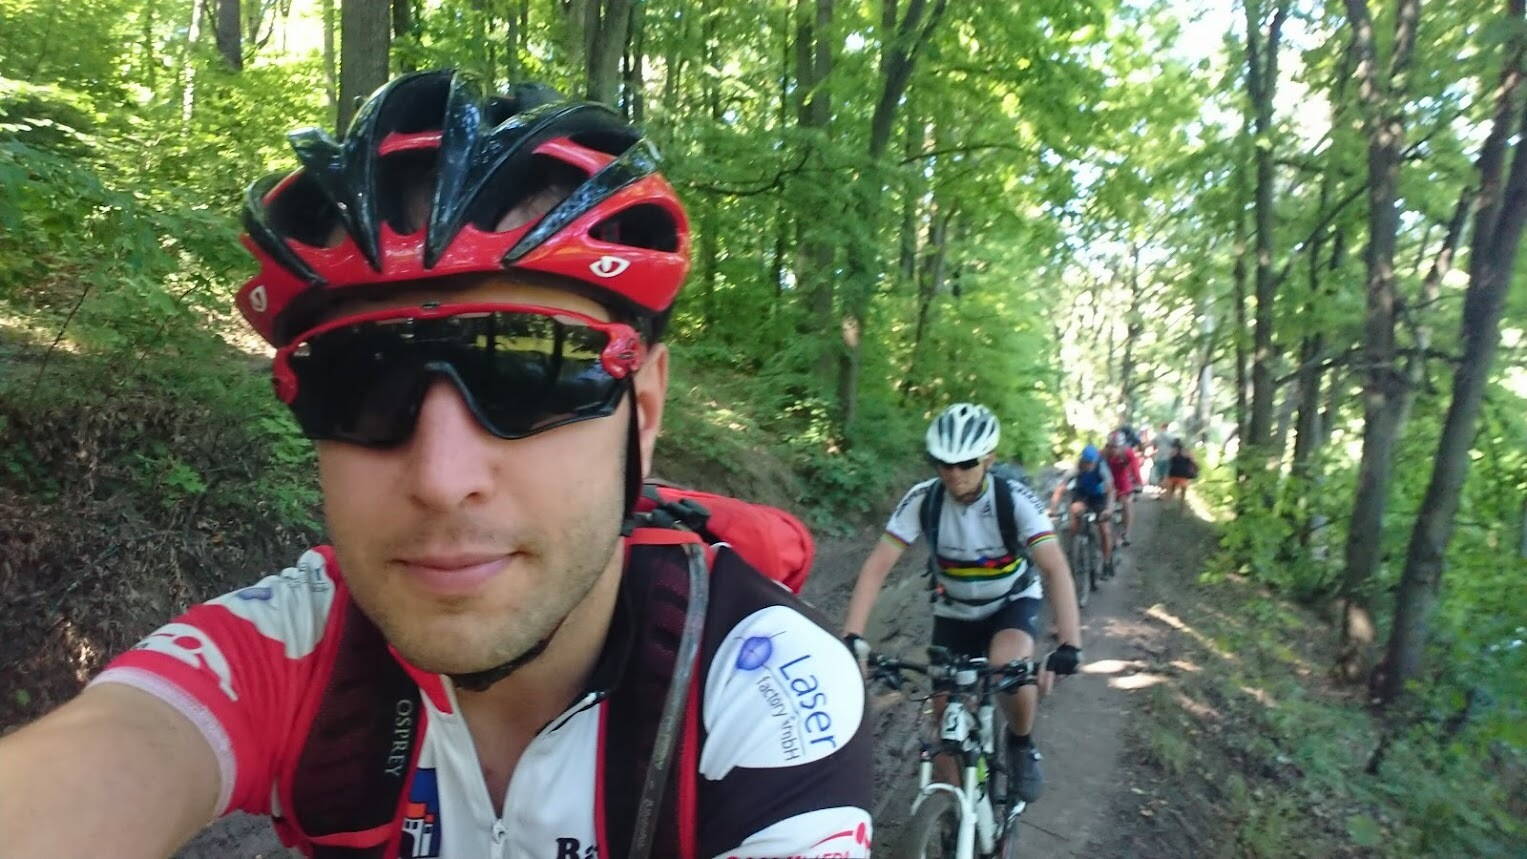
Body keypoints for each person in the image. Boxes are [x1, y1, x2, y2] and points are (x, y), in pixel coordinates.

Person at [0, 71, 872, 858]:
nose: (440, 478)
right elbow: (116, 749)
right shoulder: (301, 645)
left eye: (530, 373)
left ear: (641, 408)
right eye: (357, 384)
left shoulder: (760, 687)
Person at [840, 403, 1083, 803]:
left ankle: (1021, 744)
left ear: (989, 459)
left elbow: (1055, 568)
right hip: (954, 610)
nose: (953, 472)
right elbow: (876, 567)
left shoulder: (1015, 500)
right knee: (943, 714)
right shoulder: (923, 499)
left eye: (966, 463)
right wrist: (852, 636)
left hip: (1010, 602)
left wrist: (1070, 644)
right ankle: (957, 811)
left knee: (1008, 667)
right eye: (942, 462)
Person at [1048, 443, 1117, 578]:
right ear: (1082, 460)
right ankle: (1075, 551)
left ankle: (1106, 561)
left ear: (1096, 461)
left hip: (1099, 497)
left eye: (1091, 463)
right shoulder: (1076, 468)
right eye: (1086, 463)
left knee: (1104, 530)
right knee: (1074, 515)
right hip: (1082, 495)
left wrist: (1108, 509)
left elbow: (1110, 491)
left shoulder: (1102, 468)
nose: (1089, 466)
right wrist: (1053, 508)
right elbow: (1061, 488)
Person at [1103, 430, 1145, 545]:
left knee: (1126, 503)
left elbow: (1135, 470)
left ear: (1122, 446)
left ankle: (1126, 533)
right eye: (1110, 447)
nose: (1113, 450)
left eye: (1116, 447)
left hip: (1122, 480)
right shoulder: (1102, 453)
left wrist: (1138, 483)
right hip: (1107, 480)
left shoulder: (1128, 453)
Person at [1164, 440, 1200, 506]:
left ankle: (1167, 505)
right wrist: (1196, 469)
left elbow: (1169, 462)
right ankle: (1182, 507)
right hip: (1184, 475)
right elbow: (1194, 462)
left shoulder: (1173, 452)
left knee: (1171, 490)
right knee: (1183, 492)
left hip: (1173, 473)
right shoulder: (1187, 452)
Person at [1150, 420, 1176, 490]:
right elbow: (1176, 445)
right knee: (1166, 475)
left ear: (1161, 427)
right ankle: (1165, 491)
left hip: (1159, 457)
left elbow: (1153, 445)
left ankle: (1161, 490)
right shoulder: (1172, 436)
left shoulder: (1158, 435)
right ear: (1167, 427)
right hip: (1169, 457)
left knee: (1160, 475)